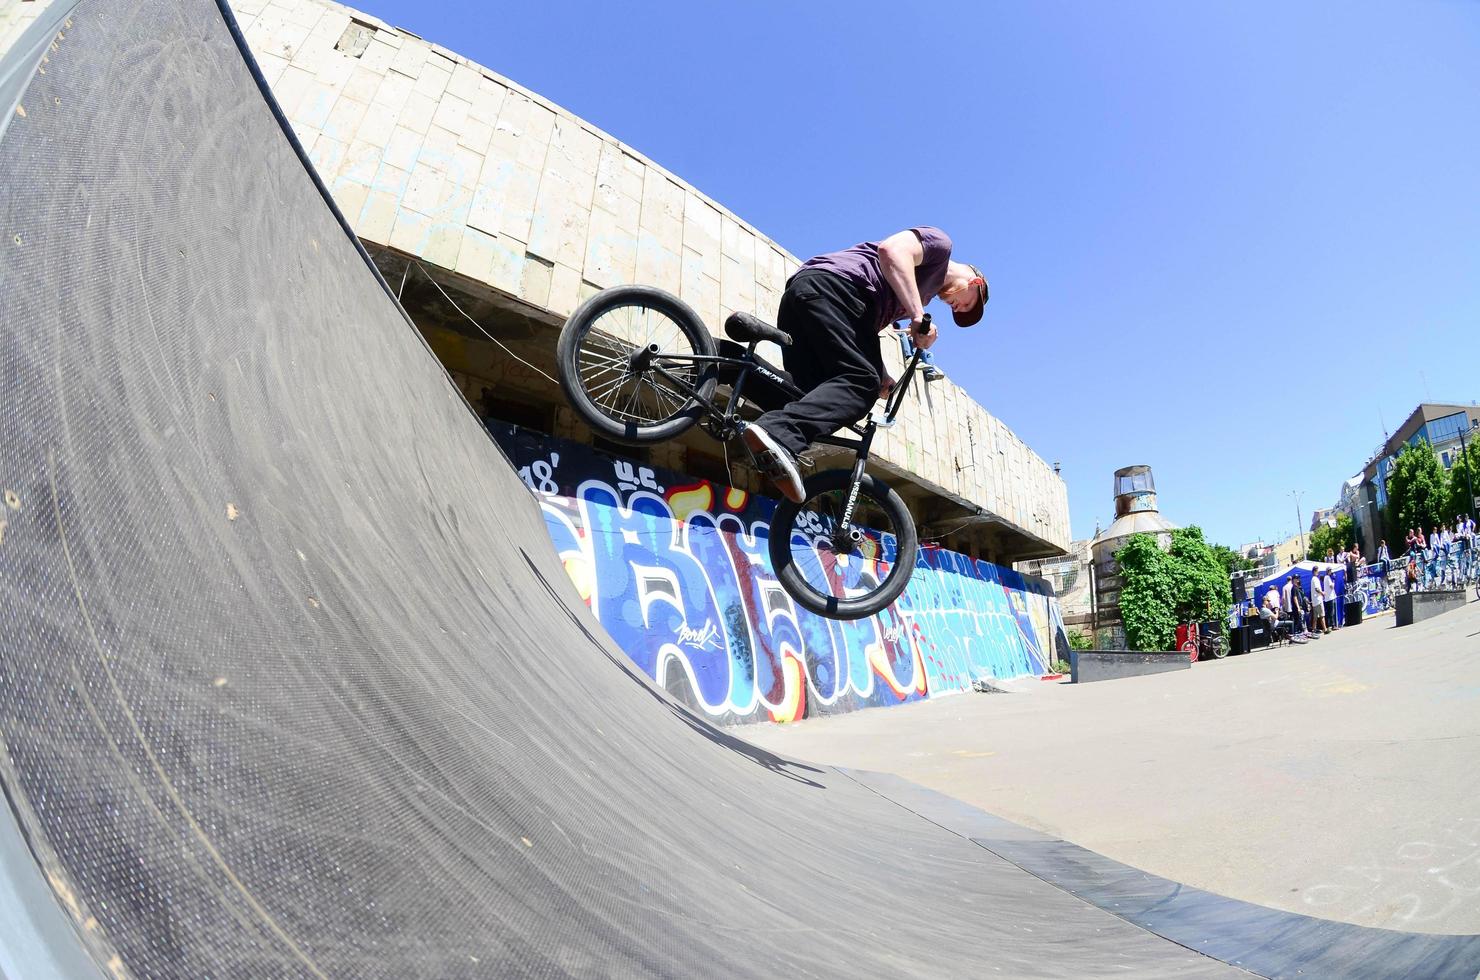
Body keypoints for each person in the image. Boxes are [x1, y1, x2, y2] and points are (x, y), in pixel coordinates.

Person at [740, 227, 987, 502]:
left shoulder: (921, 291)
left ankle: (729, 364)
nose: (955, 307)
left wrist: (881, 373)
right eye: (964, 305)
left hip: (811, 295)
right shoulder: (940, 246)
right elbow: (892, 251)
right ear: (976, 283)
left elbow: (863, 329)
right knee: (860, 385)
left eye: (957, 310)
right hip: (838, 288)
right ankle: (780, 433)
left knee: (812, 397)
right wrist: (917, 314)